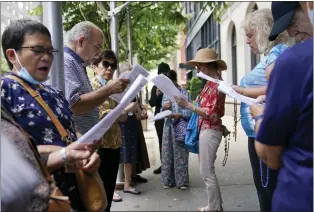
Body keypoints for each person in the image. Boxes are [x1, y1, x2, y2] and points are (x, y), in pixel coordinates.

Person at [1, 19, 98, 211]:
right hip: (42, 200)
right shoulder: (5, 90)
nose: (47, 57)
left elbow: (70, 129)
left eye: (50, 51)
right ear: (12, 55)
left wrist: (85, 149)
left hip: (75, 193)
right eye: (38, 50)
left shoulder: (53, 92)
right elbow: (13, 155)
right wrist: (64, 155)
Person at [250, 2, 313, 211]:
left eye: (293, 21)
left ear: (309, 6)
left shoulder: (294, 61)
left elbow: (270, 154)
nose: (292, 31)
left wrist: (260, 118)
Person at [231, 9, 290, 212]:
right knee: (264, 191)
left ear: (263, 31)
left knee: (269, 192)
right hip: (258, 132)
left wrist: (242, 90)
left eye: (250, 34)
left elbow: (278, 86)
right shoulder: (271, 55)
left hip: (267, 132)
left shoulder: (278, 52)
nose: (247, 41)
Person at [175, 48, 226, 211]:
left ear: (208, 65)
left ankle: (214, 207)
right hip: (207, 130)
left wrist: (187, 105)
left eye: (199, 65)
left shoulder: (216, 85)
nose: (197, 69)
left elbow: (209, 113)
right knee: (206, 170)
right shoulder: (211, 84)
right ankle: (215, 205)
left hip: (209, 131)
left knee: (206, 171)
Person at [63, 21, 129, 137]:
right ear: (81, 41)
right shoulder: (67, 61)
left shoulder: (78, 63)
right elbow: (74, 104)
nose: (98, 53)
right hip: (79, 142)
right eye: (97, 47)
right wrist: (109, 89)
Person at [90, 50, 132, 210]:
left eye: (113, 66)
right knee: (99, 192)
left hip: (114, 142)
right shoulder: (93, 85)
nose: (109, 69)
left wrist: (123, 112)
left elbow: (122, 117)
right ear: (95, 66)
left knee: (108, 190)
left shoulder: (112, 87)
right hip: (100, 144)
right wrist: (123, 112)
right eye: (105, 64)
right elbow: (102, 114)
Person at [161, 70, 191, 190]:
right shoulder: (165, 93)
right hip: (168, 126)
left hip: (180, 125)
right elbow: (160, 112)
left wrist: (179, 114)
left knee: (181, 154)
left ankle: (182, 182)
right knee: (167, 154)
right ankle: (168, 180)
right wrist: (163, 108)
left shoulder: (184, 92)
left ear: (174, 80)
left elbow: (189, 112)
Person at [149, 62, 170, 174]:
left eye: (166, 73)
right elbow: (151, 103)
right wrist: (157, 94)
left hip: (171, 117)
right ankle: (164, 165)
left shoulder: (171, 85)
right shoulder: (155, 87)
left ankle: (172, 164)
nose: (164, 75)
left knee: (172, 141)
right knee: (161, 141)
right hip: (160, 119)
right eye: (161, 73)